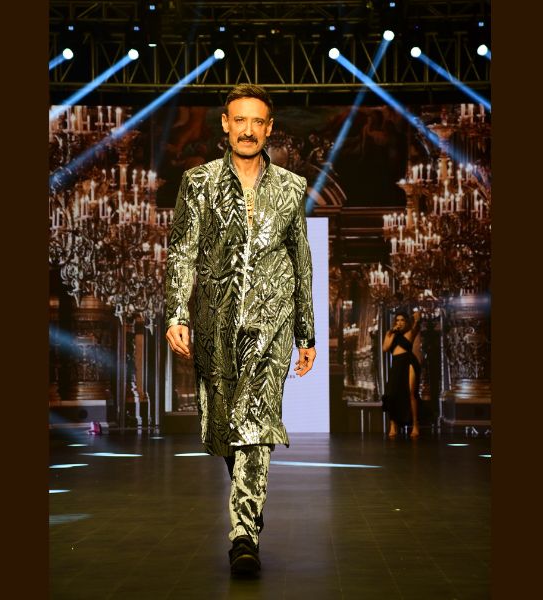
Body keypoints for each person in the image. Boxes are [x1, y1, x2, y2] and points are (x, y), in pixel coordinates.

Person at [164, 83, 317, 577]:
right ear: (226, 124)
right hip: (216, 323)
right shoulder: (199, 183)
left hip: (271, 323)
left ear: (269, 128)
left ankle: (243, 535)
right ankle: (249, 494)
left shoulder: (291, 187)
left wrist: (306, 333)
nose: (248, 130)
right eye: (240, 120)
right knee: (227, 428)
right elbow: (182, 251)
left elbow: (301, 260)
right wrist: (177, 314)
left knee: (255, 421)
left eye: (258, 121)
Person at [381, 310, 422, 439]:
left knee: (411, 393)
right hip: (396, 364)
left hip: (408, 362)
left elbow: (416, 325)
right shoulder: (390, 333)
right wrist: (393, 332)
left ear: (406, 322)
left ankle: (415, 425)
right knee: (391, 394)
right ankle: (393, 425)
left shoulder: (410, 332)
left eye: (402, 320)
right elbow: (385, 348)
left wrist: (417, 318)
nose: (399, 322)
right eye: (397, 320)